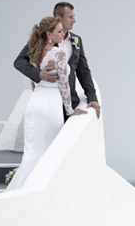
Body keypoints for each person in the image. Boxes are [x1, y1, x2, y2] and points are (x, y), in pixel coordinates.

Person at [6, 17, 86, 191]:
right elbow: (64, 85)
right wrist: (70, 110)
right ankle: (35, 191)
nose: (62, 33)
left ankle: (17, 191)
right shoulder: (58, 53)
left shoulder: (36, 49)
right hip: (51, 105)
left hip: (35, 103)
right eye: (58, 31)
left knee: (32, 154)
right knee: (48, 152)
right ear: (49, 34)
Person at [14, 2, 101, 119]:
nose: (74, 20)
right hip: (49, 103)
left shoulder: (76, 40)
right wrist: (38, 74)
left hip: (71, 102)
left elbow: (83, 71)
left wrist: (92, 97)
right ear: (59, 18)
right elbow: (19, 62)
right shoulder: (42, 39)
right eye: (70, 17)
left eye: (74, 16)